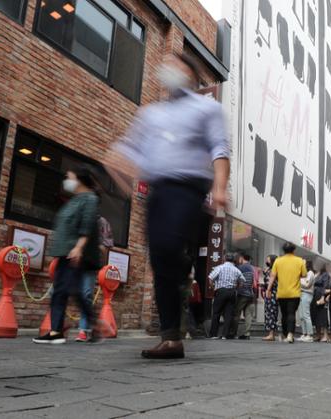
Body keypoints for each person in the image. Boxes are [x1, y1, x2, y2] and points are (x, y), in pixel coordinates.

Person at [105, 52, 230, 359]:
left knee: (170, 249)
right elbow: (131, 149)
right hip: (157, 190)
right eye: (166, 66)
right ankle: (171, 337)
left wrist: (220, 186)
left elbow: (219, 148)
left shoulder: (207, 108)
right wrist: (117, 161)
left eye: (177, 66)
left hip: (189, 189)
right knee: (160, 259)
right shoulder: (150, 113)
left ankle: (183, 270)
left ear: (191, 74)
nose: (169, 70)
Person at [33, 168, 102, 345]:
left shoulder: (90, 199)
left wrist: (78, 247)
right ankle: (58, 331)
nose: (66, 179)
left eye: (69, 176)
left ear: (79, 179)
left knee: (71, 290)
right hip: (65, 252)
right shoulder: (74, 200)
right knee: (63, 291)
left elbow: (86, 225)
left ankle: (90, 323)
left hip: (75, 252)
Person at [75, 215, 113, 342]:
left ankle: (83, 329)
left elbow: (107, 243)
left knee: (86, 294)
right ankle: (57, 328)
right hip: (72, 260)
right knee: (63, 292)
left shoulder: (101, 221)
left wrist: (92, 249)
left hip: (89, 262)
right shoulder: (78, 217)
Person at [266, 242, 306, 344]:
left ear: (283, 250)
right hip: (294, 293)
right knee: (291, 313)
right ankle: (290, 334)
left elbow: (272, 276)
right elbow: (304, 275)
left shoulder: (278, 261)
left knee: (284, 314)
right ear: (294, 250)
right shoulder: (300, 261)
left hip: (282, 293)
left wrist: (268, 289)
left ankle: (285, 334)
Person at [207, 253, 244, 340]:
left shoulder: (219, 267)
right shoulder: (236, 270)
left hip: (220, 291)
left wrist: (214, 288)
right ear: (233, 260)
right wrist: (236, 288)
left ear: (224, 259)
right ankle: (225, 335)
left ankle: (213, 334)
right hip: (231, 292)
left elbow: (210, 278)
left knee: (216, 313)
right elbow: (242, 282)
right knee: (228, 314)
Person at [230, 254, 256, 340]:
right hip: (250, 294)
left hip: (242, 293)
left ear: (242, 258)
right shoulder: (252, 268)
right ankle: (247, 333)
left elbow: (237, 280)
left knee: (237, 313)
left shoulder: (241, 268)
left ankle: (233, 333)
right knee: (248, 315)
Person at [262, 255, 279, 341]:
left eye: (268, 259)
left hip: (273, 292)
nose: (266, 261)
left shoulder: (275, 270)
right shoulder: (268, 270)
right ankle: (270, 333)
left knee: (272, 312)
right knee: (268, 312)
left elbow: (274, 282)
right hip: (267, 292)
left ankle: (272, 334)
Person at [311, 263, 330, 342]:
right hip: (313, 296)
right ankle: (318, 334)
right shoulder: (315, 274)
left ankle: (325, 335)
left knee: (323, 315)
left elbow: (326, 286)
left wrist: (323, 297)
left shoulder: (325, 274)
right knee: (315, 315)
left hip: (320, 295)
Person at [298, 260, 315, 342]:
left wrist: (299, 281)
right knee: (301, 316)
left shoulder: (310, 273)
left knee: (306, 315)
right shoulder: (302, 274)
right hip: (301, 293)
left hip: (307, 294)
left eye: (303, 263)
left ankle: (310, 335)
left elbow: (307, 285)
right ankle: (304, 334)